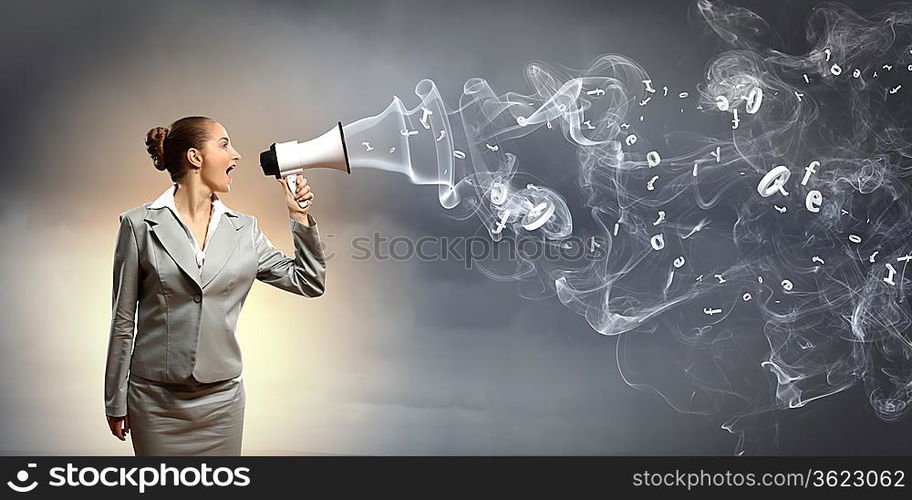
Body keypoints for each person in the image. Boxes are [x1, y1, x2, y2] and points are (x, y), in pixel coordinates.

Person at [104, 116, 326, 455]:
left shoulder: (245, 230)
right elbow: (123, 320)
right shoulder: (137, 225)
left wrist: (299, 217)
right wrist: (114, 399)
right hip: (154, 402)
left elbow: (308, 280)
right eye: (224, 144)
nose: (235, 154)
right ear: (195, 157)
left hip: (222, 403)